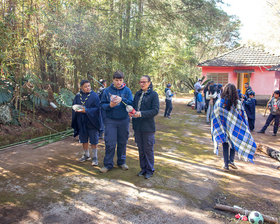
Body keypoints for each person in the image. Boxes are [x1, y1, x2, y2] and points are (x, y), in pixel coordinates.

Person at [211, 83, 256, 171]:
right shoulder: (237, 103)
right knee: (233, 143)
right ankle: (231, 161)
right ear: (235, 92)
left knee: (225, 144)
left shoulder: (219, 102)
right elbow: (242, 116)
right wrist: (244, 126)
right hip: (235, 128)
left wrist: (217, 126)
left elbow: (215, 116)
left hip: (223, 127)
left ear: (224, 91)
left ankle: (226, 164)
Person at [100, 71, 133, 173]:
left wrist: (121, 99)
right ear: (113, 80)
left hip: (124, 120)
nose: (118, 82)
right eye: (116, 80)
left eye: (120, 80)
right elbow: (102, 105)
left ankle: (121, 162)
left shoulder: (127, 91)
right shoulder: (107, 91)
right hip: (110, 121)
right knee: (110, 143)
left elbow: (132, 102)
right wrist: (110, 105)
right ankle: (108, 164)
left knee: (122, 142)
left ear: (123, 80)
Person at [131, 75, 159, 179]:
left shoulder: (153, 95)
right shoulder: (137, 94)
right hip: (137, 126)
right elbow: (134, 107)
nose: (142, 84)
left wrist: (141, 113)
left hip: (148, 127)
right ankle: (143, 168)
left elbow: (155, 110)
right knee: (141, 149)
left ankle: (150, 170)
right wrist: (132, 112)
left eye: (144, 82)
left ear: (149, 83)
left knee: (148, 149)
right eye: (140, 82)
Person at [71, 80, 101, 166]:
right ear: (81, 87)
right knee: (83, 139)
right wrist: (76, 109)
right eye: (85, 86)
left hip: (92, 121)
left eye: (89, 86)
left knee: (94, 140)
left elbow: (97, 109)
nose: (88, 88)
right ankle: (86, 155)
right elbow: (74, 106)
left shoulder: (94, 96)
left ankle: (95, 157)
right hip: (82, 121)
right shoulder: (78, 96)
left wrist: (86, 110)